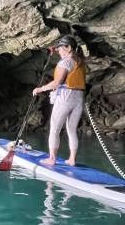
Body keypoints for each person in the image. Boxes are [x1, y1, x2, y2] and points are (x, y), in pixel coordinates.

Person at [32, 36, 87, 167]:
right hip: (79, 98)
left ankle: (52, 159)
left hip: (66, 96)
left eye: (61, 49)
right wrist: (54, 50)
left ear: (68, 48)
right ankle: (72, 159)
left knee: (55, 129)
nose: (59, 52)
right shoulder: (81, 61)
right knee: (71, 129)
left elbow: (58, 82)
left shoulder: (65, 62)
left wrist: (40, 89)